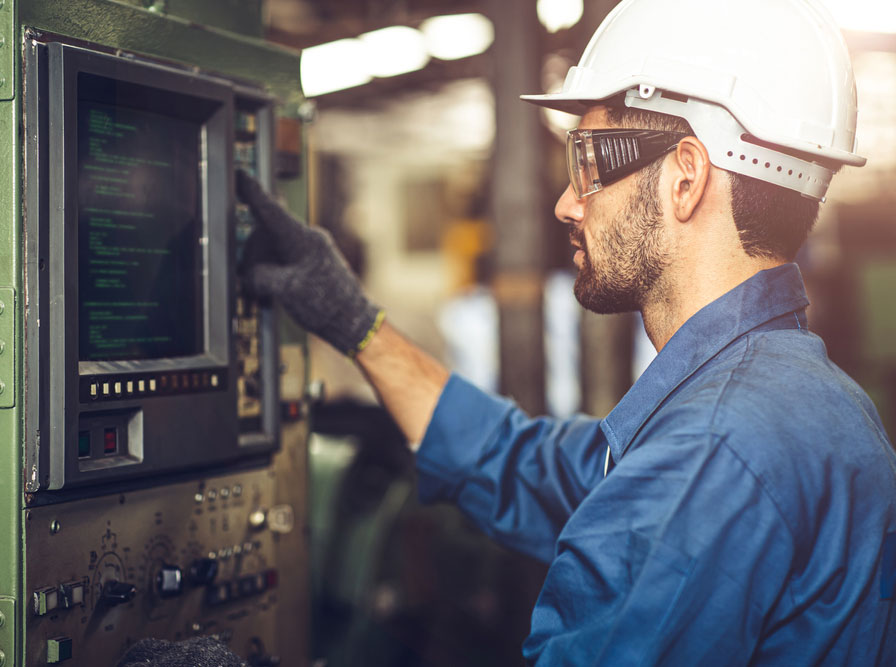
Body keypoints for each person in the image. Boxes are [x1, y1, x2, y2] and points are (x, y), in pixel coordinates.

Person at [237, 0, 896, 663]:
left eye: (588, 162)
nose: (566, 203)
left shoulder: (709, 451)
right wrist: (357, 324)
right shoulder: (815, 403)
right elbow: (519, 462)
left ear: (685, 178)